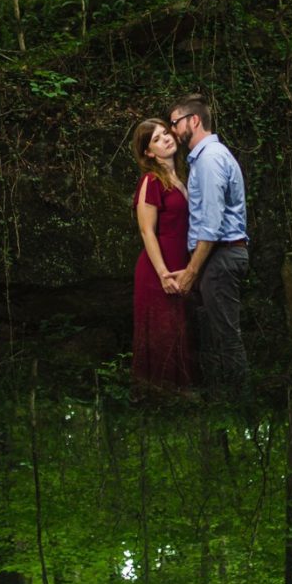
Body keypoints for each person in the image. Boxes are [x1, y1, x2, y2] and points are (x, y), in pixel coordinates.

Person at [163, 94, 249, 393]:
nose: (173, 130)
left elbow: (211, 227)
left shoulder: (210, 160)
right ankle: (224, 401)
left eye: (175, 122)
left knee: (226, 335)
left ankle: (239, 402)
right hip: (219, 259)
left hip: (221, 258)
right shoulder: (205, 158)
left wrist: (191, 272)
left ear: (194, 120)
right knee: (216, 334)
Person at [129, 117, 195, 390]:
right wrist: (163, 274)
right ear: (148, 152)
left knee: (180, 331)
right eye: (156, 139)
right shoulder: (151, 181)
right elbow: (147, 232)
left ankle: (176, 397)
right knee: (162, 332)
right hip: (158, 271)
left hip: (180, 266)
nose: (166, 139)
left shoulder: (179, 178)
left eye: (165, 133)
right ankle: (158, 397)